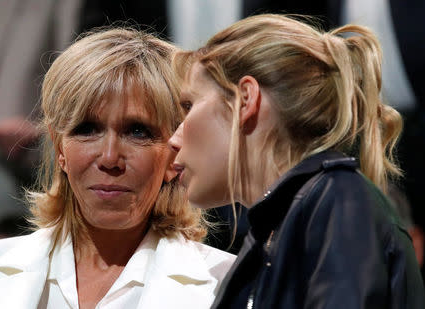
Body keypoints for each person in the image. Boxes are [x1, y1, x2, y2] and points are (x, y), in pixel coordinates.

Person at [168, 14, 425, 308]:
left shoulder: (337, 199)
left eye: (189, 105)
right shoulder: (278, 229)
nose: (174, 139)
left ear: (246, 100)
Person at [0, 28, 235, 308]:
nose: (110, 158)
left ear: (174, 154)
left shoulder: (228, 286)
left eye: (138, 132)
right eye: (87, 129)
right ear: (60, 148)